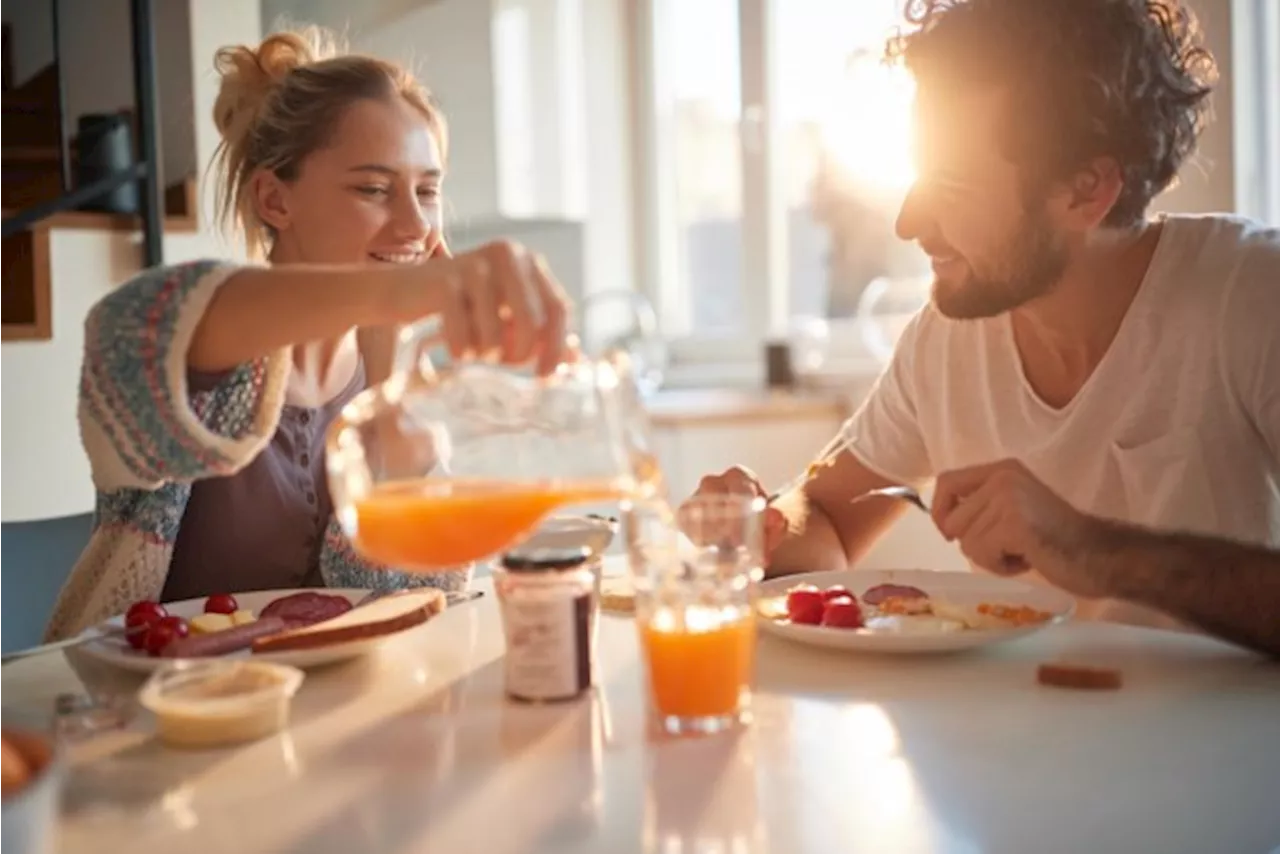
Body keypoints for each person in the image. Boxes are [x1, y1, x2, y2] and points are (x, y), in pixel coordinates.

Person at [690, 0, 1280, 657]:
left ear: (1086, 190)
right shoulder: (945, 339)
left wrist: (1093, 549)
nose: (909, 222)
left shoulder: (1251, 296)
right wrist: (759, 526)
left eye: (953, 183)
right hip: (1012, 747)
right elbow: (826, 517)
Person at [43, 29, 570, 641]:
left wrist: (389, 387)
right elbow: (132, 325)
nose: (416, 224)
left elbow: (416, 606)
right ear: (274, 200)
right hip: (158, 719)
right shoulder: (205, 356)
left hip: (327, 721)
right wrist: (399, 291)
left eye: (426, 190)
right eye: (373, 189)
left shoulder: (395, 376)